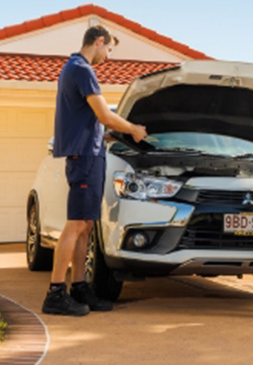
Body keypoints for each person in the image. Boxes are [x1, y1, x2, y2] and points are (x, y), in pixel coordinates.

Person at [42, 25, 148, 316]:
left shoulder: (73, 68)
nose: (109, 56)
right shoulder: (81, 69)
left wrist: (108, 135)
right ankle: (55, 293)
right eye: (109, 49)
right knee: (76, 224)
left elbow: (90, 121)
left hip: (90, 154)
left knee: (86, 225)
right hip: (84, 158)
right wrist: (133, 129)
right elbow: (103, 114)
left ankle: (79, 286)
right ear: (98, 41)